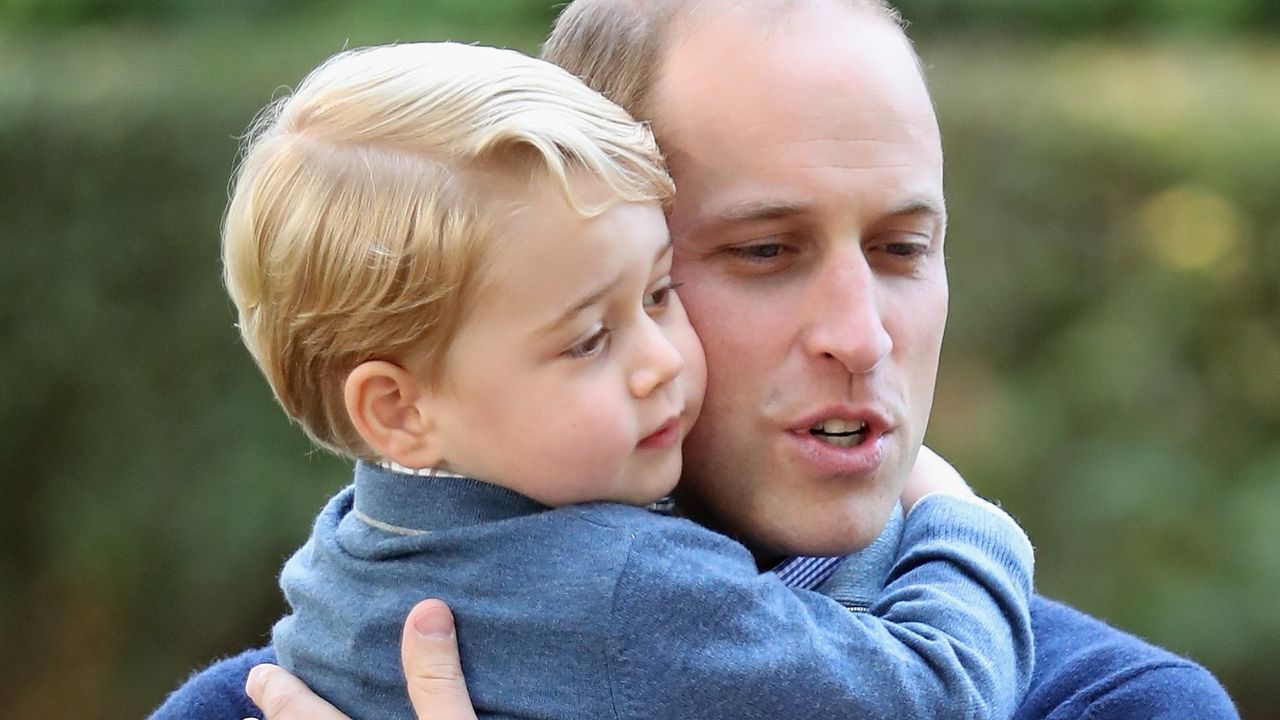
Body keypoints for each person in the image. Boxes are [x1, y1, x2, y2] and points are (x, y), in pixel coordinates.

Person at [155, 0, 1242, 717]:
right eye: (762, 251)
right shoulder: (260, 705)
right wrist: (975, 531)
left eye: (903, 247)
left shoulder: (1118, 706)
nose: (861, 338)